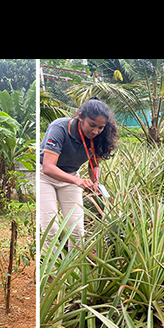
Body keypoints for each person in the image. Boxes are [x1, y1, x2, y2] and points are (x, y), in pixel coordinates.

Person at [39, 97, 118, 248]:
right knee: (51, 228)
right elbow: (48, 167)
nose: (95, 131)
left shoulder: (100, 137)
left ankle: (76, 268)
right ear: (81, 117)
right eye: (92, 125)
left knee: (76, 229)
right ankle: (51, 270)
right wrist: (78, 182)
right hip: (45, 177)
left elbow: (93, 164)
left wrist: (95, 182)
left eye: (101, 127)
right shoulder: (60, 127)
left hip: (71, 177)